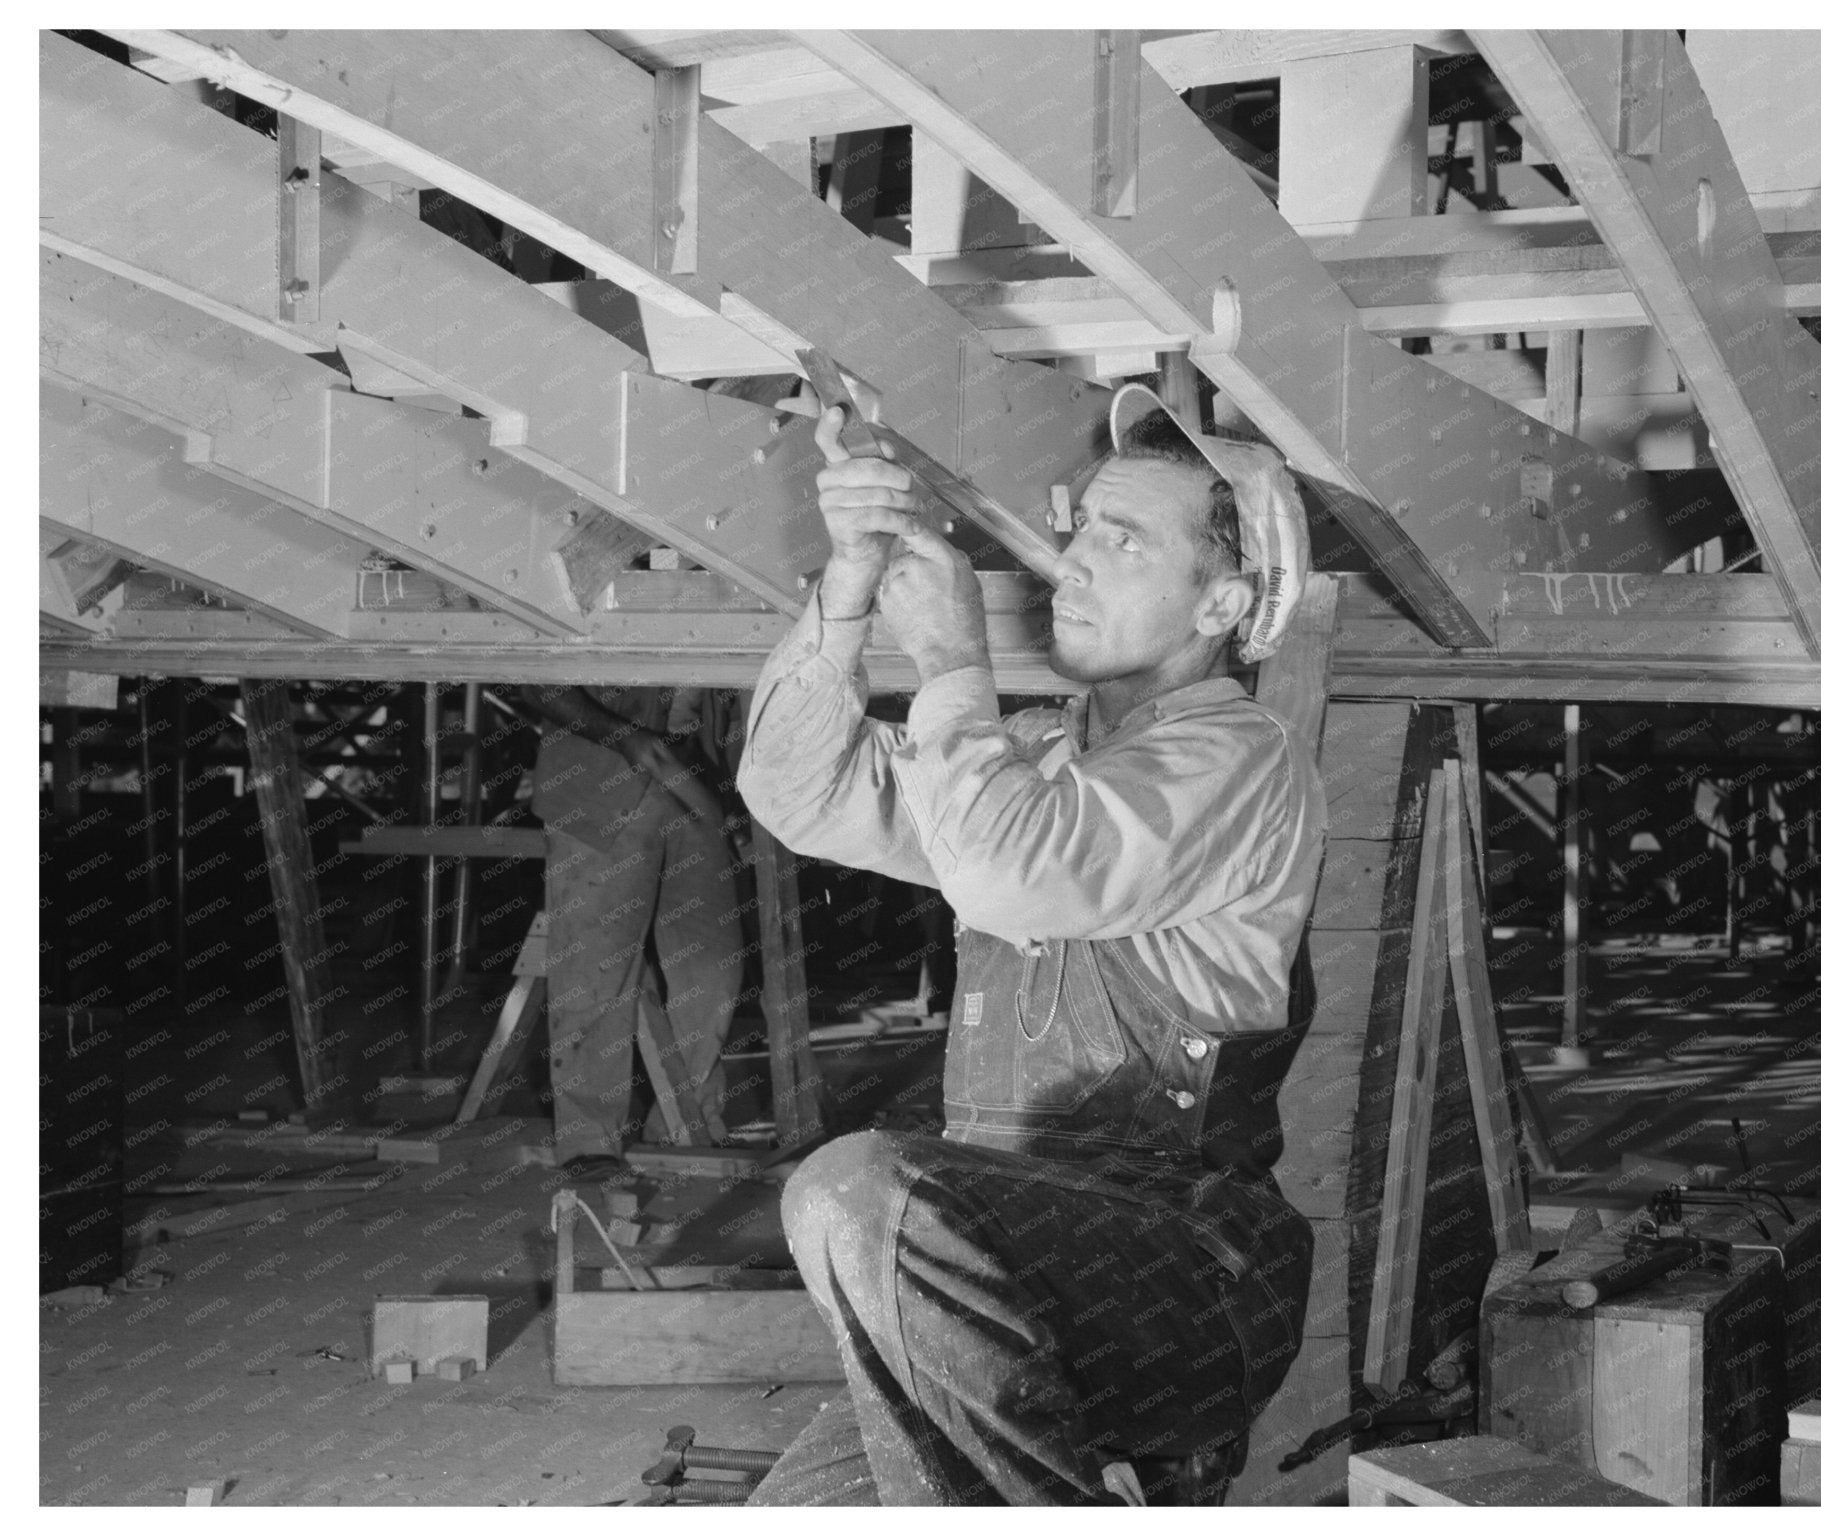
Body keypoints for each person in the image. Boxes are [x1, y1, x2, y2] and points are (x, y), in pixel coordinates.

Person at [736, 384, 1328, 1505]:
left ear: (1220, 604)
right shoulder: (1028, 757)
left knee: (855, 1189)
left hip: (1179, 1276)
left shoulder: (1239, 757)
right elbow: (796, 790)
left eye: (1124, 540)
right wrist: (850, 585)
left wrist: (952, 664)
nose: (1075, 562)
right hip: (1002, 1265)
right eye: (1081, 528)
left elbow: (1014, 866)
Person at [520, 683, 745, 1176]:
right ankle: (589, 1139)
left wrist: (736, 796)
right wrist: (622, 735)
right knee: (594, 970)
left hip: (696, 783)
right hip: (599, 787)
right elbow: (535, 682)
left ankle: (686, 1122)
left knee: (714, 969)